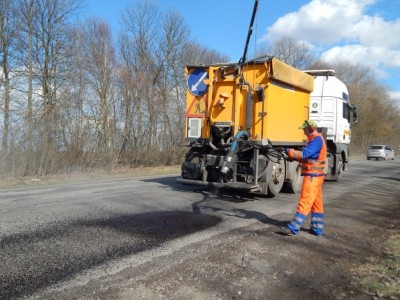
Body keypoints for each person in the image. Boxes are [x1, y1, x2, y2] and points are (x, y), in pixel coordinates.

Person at [282, 120, 327, 236]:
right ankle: (317, 229)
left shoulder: (316, 140)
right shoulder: (315, 140)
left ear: (311, 128)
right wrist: (293, 158)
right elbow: (307, 158)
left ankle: (293, 228)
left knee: (305, 201)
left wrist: (289, 151)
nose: (303, 132)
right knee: (317, 203)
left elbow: (304, 154)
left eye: (304, 129)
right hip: (316, 176)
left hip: (312, 177)